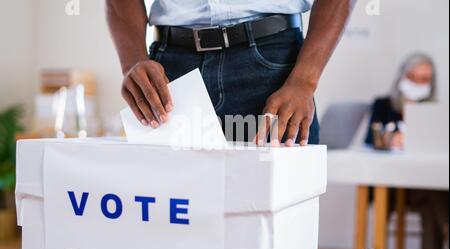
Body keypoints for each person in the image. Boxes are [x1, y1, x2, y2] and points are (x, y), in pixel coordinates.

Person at [106, 0, 355, 146]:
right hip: (171, 74)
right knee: (170, 221)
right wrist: (132, 62)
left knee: (278, 225)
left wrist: (305, 80)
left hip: (275, 73)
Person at [365, 53, 449, 249]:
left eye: (423, 79)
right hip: (391, 186)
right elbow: (369, 140)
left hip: (420, 187)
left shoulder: (436, 112)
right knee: (434, 192)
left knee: (433, 191)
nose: (416, 83)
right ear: (401, 76)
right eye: (412, 76)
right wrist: (391, 139)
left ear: (431, 83)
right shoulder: (383, 106)